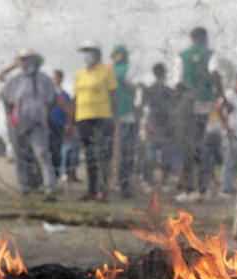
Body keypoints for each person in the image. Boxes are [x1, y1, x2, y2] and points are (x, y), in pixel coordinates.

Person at [2, 49, 68, 201]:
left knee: (42, 154)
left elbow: (52, 100)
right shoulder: (15, 80)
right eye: (24, 60)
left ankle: (49, 187)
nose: (27, 63)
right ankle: (25, 187)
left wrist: (45, 115)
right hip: (18, 125)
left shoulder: (45, 80)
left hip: (38, 124)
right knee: (21, 156)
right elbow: (6, 99)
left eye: (30, 60)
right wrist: (11, 119)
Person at [174, 26, 224, 202]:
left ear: (191, 38)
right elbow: (215, 74)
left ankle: (189, 189)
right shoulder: (211, 54)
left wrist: (179, 105)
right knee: (201, 146)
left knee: (189, 146)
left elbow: (178, 83)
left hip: (187, 103)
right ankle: (201, 189)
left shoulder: (182, 55)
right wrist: (221, 95)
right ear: (204, 38)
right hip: (204, 103)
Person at [74, 40, 117, 202]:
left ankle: (103, 190)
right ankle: (91, 190)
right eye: (84, 51)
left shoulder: (106, 71)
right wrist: (72, 120)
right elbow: (76, 97)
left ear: (98, 53)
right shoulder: (80, 74)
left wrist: (115, 117)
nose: (87, 54)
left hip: (102, 117)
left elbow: (113, 94)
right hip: (83, 118)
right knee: (89, 155)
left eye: (89, 51)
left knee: (102, 154)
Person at [141, 63, 180, 191]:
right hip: (157, 128)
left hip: (162, 128)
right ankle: (154, 182)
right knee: (153, 157)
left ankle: (156, 182)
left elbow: (173, 110)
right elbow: (146, 109)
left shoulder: (162, 91)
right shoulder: (153, 90)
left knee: (160, 157)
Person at [111, 45, 138, 198]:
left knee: (123, 153)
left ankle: (123, 184)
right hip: (118, 116)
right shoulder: (117, 70)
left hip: (125, 115)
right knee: (123, 153)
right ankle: (122, 184)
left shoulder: (118, 69)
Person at [49, 69, 72, 180]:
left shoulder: (65, 95)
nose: (55, 80)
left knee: (57, 151)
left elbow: (69, 111)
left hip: (60, 125)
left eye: (57, 77)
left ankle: (56, 175)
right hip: (48, 125)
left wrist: (69, 125)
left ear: (61, 79)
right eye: (53, 78)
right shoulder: (47, 93)